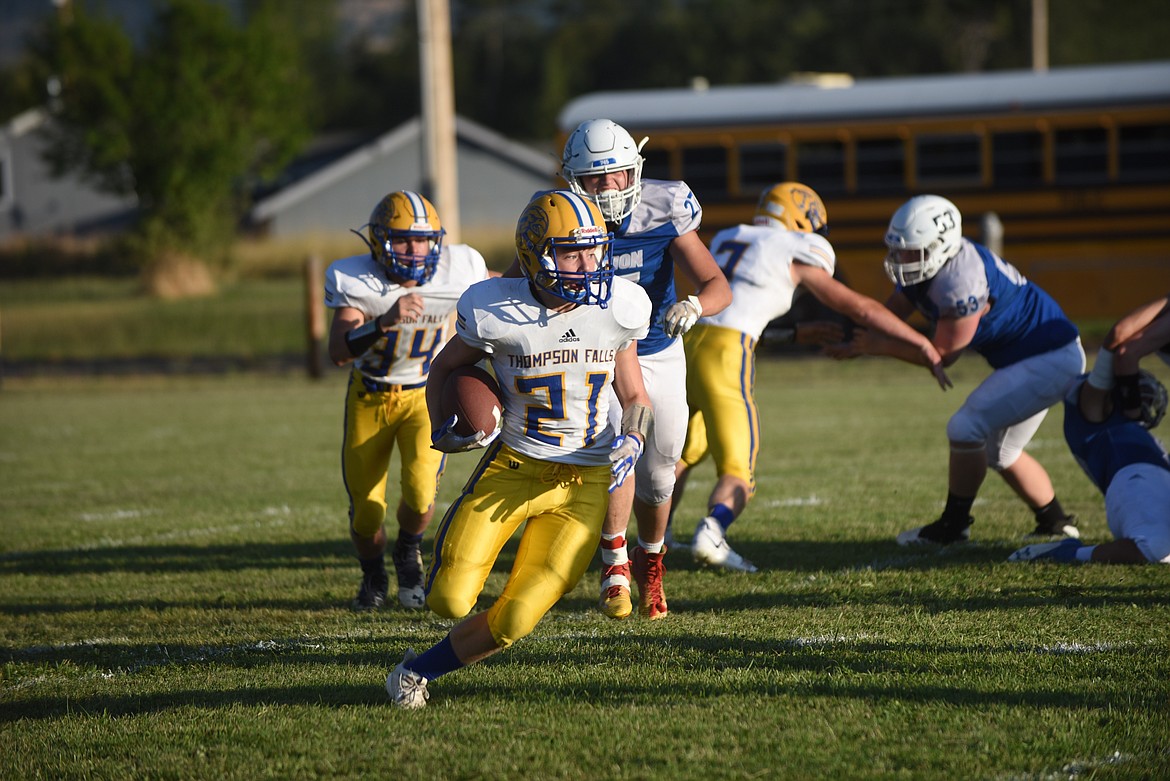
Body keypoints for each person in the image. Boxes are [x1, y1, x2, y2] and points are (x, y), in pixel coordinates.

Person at [385, 190, 653, 709]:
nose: (588, 264)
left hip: (587, 483)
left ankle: (415, 673)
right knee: (449, 599)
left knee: (513, 620)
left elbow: (635, 395)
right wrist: (445, 426)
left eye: (595, 251)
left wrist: (635, 435)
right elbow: (443, 368)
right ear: (534, 256)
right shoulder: (494, 309)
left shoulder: (620, 306)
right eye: (572, 253)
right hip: (514, 466)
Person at [671, 183, 952, 572]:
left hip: (689, 342)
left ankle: (658, 538)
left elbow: (733, 313)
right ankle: (713, 532)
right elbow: (861, 309)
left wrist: (792, 335)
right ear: (802, 219)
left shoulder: (731, 236)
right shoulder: (796, 250)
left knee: (683, 451)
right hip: (726, 354)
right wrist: (918, 341)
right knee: (739, 469)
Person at [838, 194, 1085, 545]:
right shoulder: (932, 264)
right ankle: (1057, 522)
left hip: (1050, 357)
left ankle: (953, 526)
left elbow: (943, 354)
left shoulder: (961, 280)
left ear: (941, 246)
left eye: (911, 252)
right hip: (1037, 356)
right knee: (1001, 451)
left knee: (966, 427)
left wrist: (877, 347)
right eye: (899, 250)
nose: (901, 260)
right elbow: (889, 315)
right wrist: (851, 335)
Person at [560, 118, 732, 620]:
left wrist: (697, 306)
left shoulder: (664, 206)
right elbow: (518, 276)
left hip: (657, 350)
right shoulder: (561, 216)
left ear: (635, 170)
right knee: (618, 448)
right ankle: (614, 563)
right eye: (595, 179)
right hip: (596, 353)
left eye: (617, 175)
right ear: (575, 180)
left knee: (660, 476)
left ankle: (650, 560)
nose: (609, 188)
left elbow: (717, 282)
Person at [325, 190, 489, 610]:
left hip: (423, 394)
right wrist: (384, 321)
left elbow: (497, 300)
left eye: (423, 240)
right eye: (402, 240)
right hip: (371, 395)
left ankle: (408, 552)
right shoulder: (357, 279)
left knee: (420, 496)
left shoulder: (461, 266)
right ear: (379, 242)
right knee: (366, 511)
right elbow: (339, 350)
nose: (414, 250)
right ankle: (373, 573)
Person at [1010, 293, 1170, 564]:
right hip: (1134, 483)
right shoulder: (1091, 408)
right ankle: (1068, 553)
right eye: (1135, 387)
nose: (1142, 393)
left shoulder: (1112, 416)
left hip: (1153, 478)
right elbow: (1119, 339)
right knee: (1156, 548)